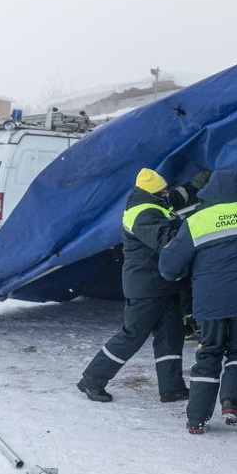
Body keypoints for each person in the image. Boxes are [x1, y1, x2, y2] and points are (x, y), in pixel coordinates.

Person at [158, 170, 237, 433]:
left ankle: (196, 418)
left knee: (208, 354)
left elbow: (168, 267)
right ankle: (231, 402)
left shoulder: (197, 221)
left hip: (210, 302)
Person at [77, 167, 207, 403]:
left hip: (165, 283)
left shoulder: (155, 202)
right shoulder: (143, 213)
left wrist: (196, 186)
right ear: (153, 193)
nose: (167, 192)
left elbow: (178, 197)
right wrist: (196, 220)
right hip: (146, 286)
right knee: (132, 335)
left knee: (171, 334)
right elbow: (167, 242)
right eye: (163, 190)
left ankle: (172, 388)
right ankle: (92, 379)